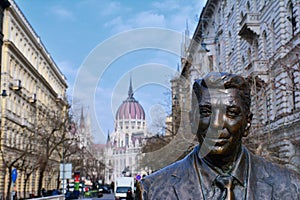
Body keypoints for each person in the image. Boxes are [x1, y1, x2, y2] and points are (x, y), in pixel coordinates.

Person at [136, 72, 300, 199]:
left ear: (247, 124)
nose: (216, 125)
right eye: (207, 112)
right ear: (193, 120)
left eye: (231, 113)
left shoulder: (290, 185)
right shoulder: (153, 189)